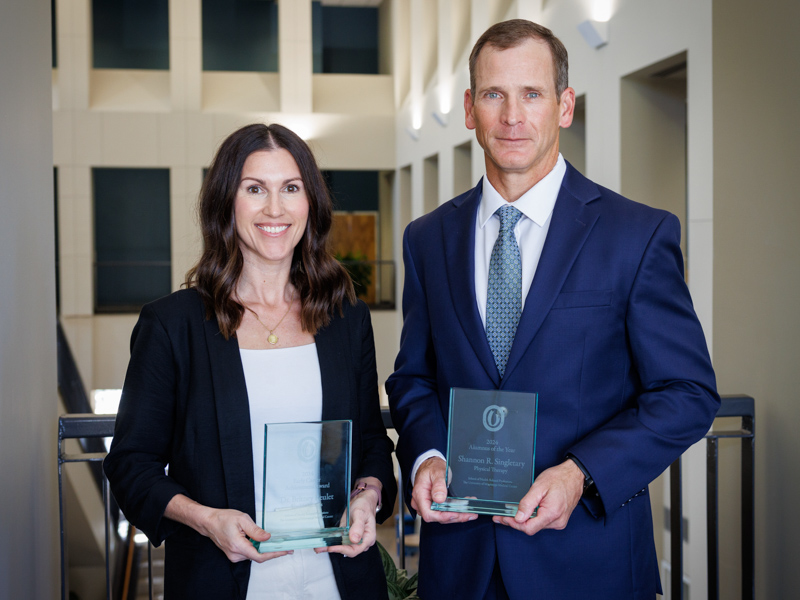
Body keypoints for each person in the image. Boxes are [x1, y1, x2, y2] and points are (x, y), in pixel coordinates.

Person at [386, 19, 720, 599]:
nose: (512, 116)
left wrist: (581, 474)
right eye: (494, 94)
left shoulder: (636, 235)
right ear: (470, 109)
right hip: (461, 566)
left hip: (589, 561)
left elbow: (687, 393)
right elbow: (414, 377)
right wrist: (427, 458)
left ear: (564, 106)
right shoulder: (427, 238)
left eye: (532, 94)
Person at [104, 123, 397, 599]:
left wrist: (368, 495)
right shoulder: (173, 326)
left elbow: (369, 441)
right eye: (255, 189)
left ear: (311, 203)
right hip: (222, 580)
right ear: (226, 203)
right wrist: (207, 520)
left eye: (291, 188)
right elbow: (130, 466)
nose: (275, 208)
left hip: (338, 579)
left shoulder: (346, 318)